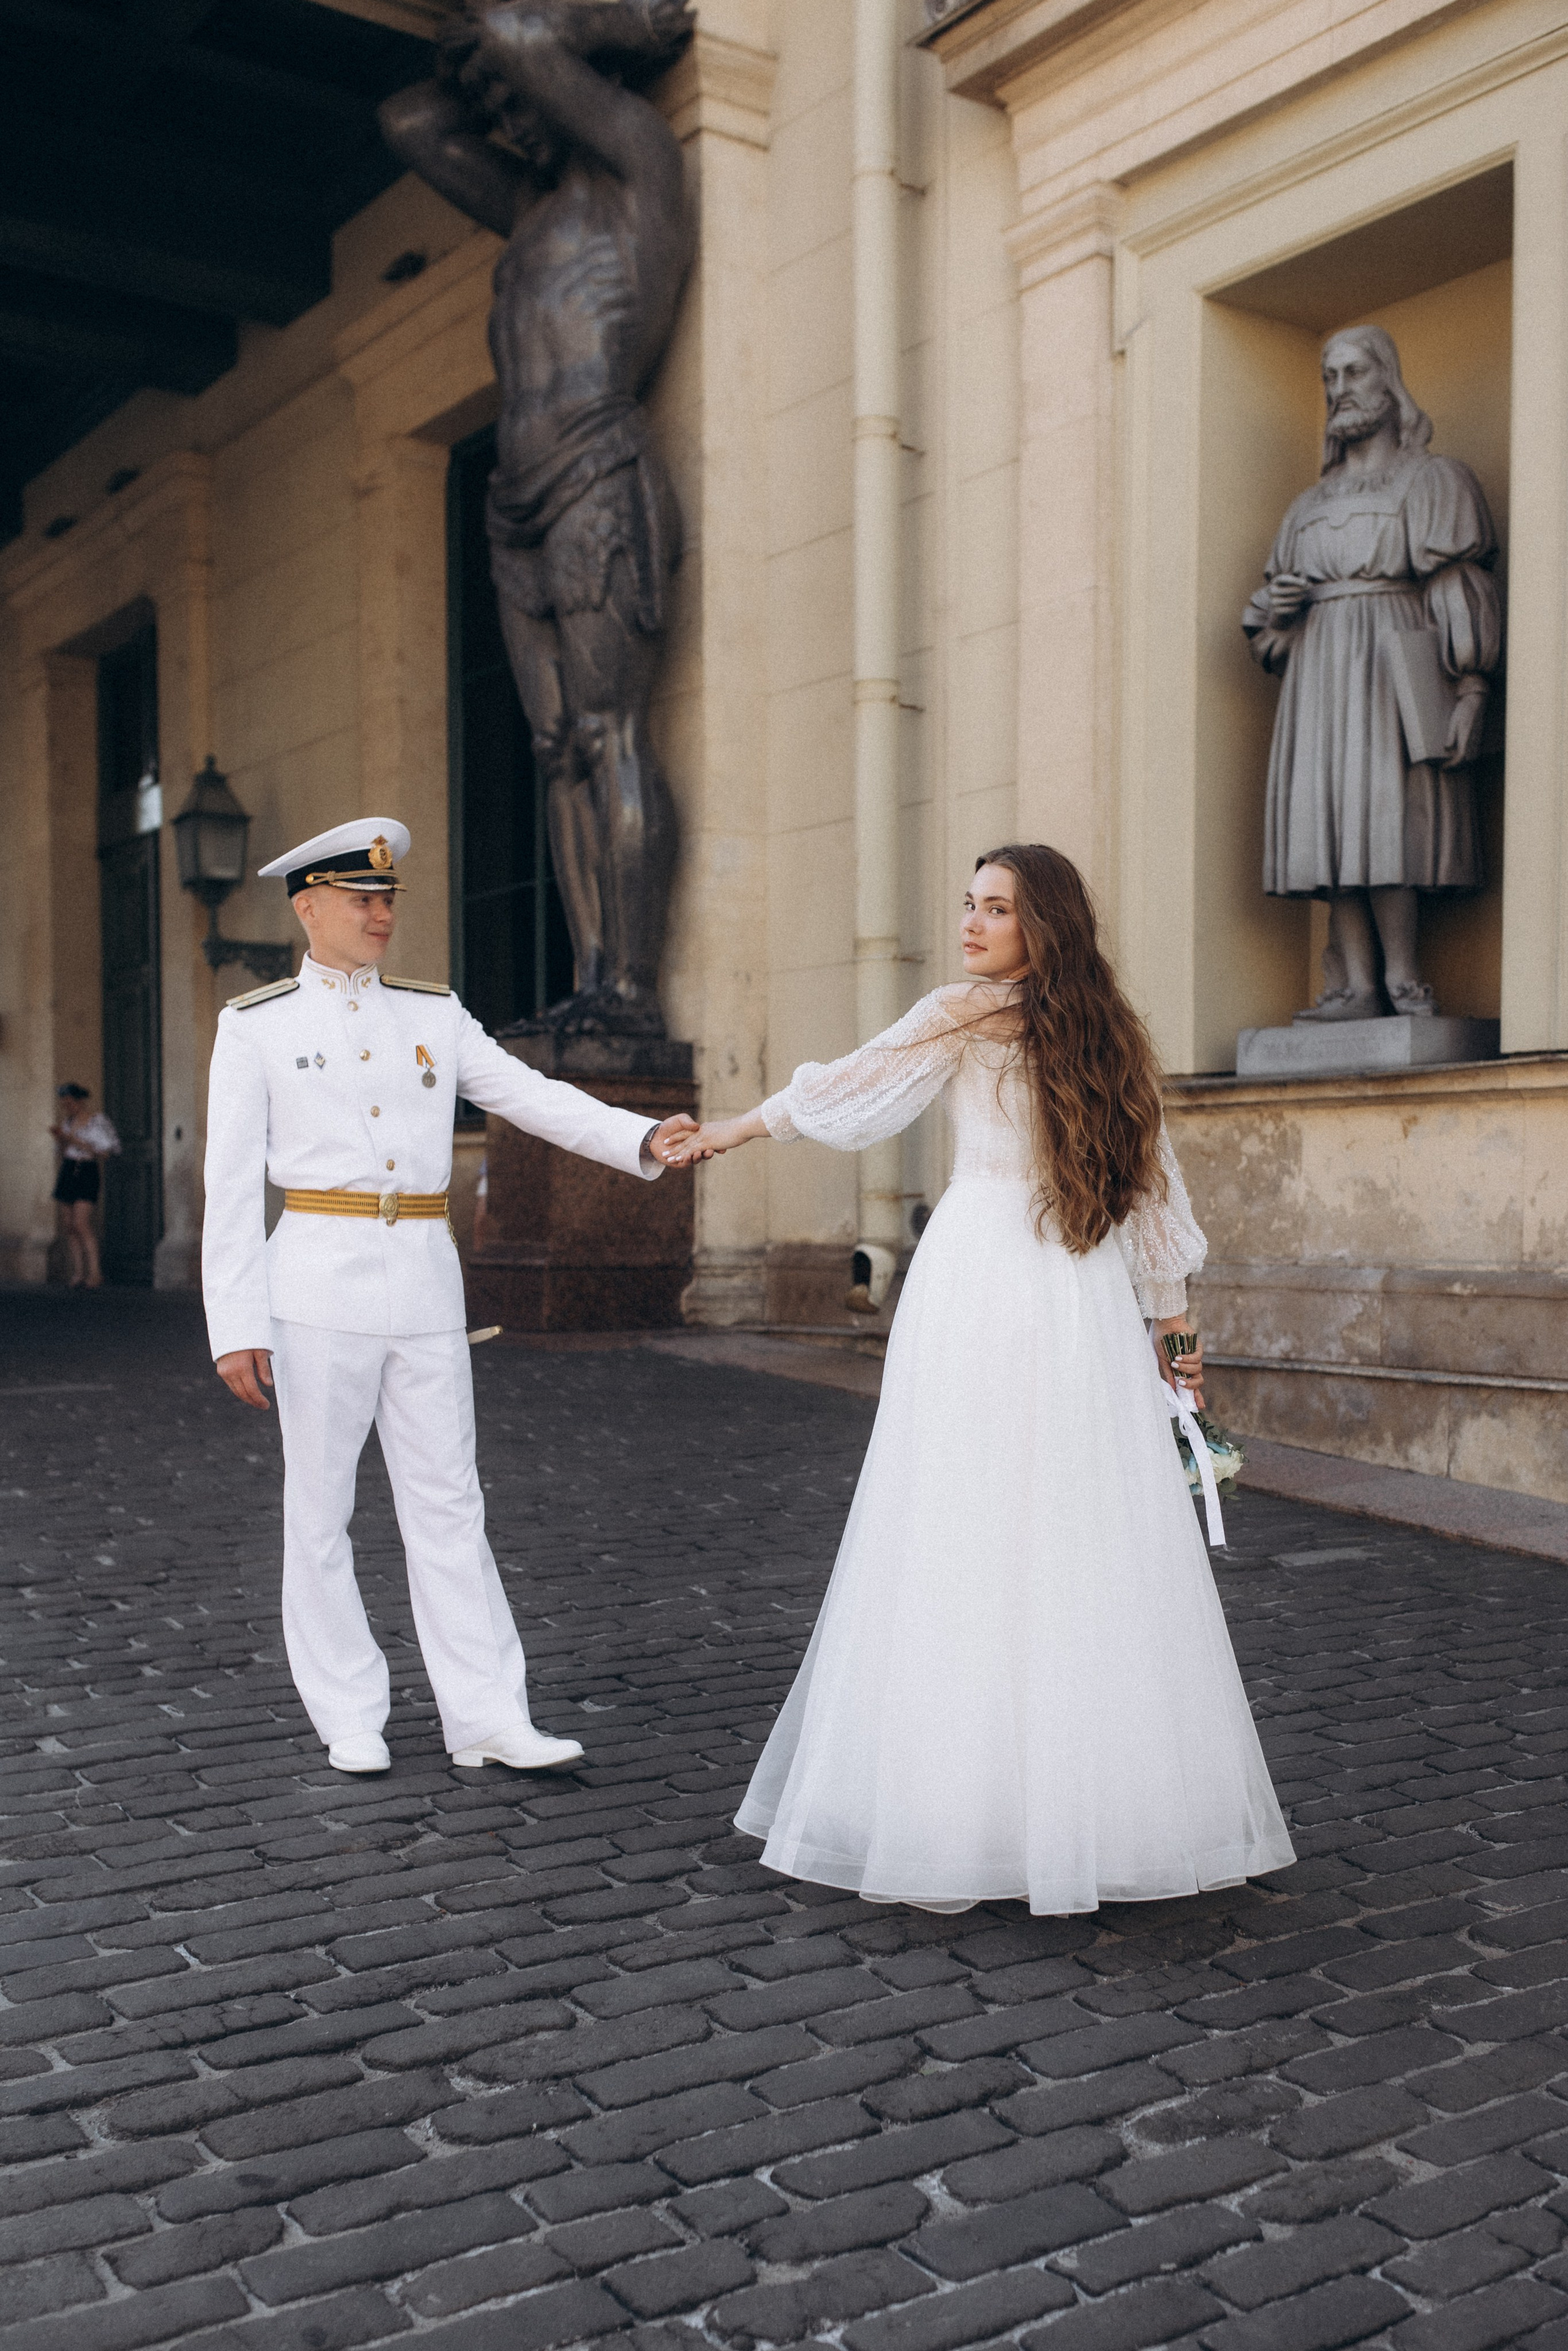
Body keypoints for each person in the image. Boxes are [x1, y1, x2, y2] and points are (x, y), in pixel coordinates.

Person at [662, 845, 1295, 1915]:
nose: (971, 923)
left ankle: (1010, 1806)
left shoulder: (1086, 1032)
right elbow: (853, 1081)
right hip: (1034, 1287)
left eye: (995, 908)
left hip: (1035, 1282)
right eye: (968, 903)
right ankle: (1018, 1803)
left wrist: (1181, 1349)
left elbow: (1147, 1182)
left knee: (1045, 1522)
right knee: (991, 1516)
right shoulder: (983, 1015)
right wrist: (729, 1131)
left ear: (1042, 923)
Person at [202, 816, 696, 1776]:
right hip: (314, 1282)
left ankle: (486, 1716)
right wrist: (236, 1324)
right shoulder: (255, 1025)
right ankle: (349, 1710)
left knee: (449, 1505)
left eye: (388, 897)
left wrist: (641, 1139)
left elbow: (529, 1093)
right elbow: (229, 1189)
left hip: (425, 1281)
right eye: (361, 898)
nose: (382, 912)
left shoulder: (433, 1012)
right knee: (320, 1510)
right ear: (309, 906)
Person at [379, 0, 695, 1035]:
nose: (509, 118)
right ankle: (592, 976)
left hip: (597, 469)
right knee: (557, 746)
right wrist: (485, 69)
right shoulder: (528, 214)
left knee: (610, 733)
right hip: (516, 501)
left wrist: (600, 27)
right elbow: (410, 121)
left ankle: (634, 994)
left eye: (520, 101)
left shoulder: (637, 168)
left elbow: (516, 38)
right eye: (498, 108)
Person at [1244, 324, 1501, 1021]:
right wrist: (1281, 610)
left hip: (1393, 667)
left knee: (1391, 817)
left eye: (1354, 373)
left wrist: (1472, 685)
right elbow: (1264, 624)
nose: (1339, 391)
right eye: (1329, 377)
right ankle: (1355, 985)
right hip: (1319, 673)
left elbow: (1456, 586)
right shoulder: (1305, 507)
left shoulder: (1431, 480)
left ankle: (1404, 976)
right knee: (1328, 820)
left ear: (1389, 380)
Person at [50, 1084, 120, 1288]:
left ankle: (96, 1272)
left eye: (70, 1102)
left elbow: (106, 1152)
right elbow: (63, 1152)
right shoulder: (67, 1123)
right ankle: (79, 1272)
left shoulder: (96, 1122)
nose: (67, 1107)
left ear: (80, 1101)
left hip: (87, 1170)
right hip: (69, 1170)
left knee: (82, 1223)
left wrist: (74, 1140)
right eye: (64, 1104)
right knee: (69, 1225)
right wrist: (63, 1140)